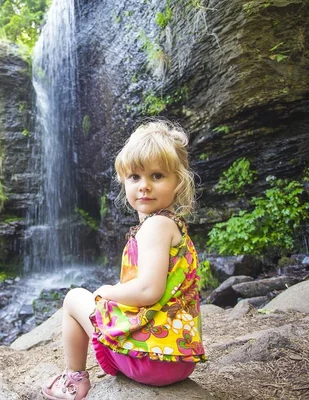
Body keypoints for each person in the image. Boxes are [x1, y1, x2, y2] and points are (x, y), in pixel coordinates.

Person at [41, 120, 207, 400]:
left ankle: (75, 380)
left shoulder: (155, 227)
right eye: (135, 177)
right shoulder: (170, 224)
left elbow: (147, 291)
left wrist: (106, 292)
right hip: (178, 360)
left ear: (178, 181)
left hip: (150, 360)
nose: (144, 187)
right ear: (123, 180)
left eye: (157, 176)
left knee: (73, 299)